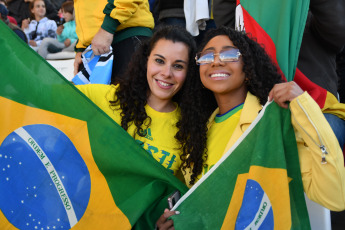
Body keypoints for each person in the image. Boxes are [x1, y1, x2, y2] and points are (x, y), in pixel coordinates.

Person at [156, 26, 345, 229]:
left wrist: (304, 107)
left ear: (248, 68)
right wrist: (177, 221)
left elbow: (334, 196)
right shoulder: (195, 136)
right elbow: (206, 211)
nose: (216, 61)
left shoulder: (272, 125)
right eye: (207, 56)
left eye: (229, 54)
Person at [76, 26, 205, 177]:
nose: (166, 73)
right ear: (146, 61)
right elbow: (50, 97)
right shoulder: (107, 97)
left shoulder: (190, 128)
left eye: (178, 66)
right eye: (159, 61)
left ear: (188, 72)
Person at [74, 0, 154, 84]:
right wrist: (81, 48)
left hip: (125, 35)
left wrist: (108, 27)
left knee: (134, 95)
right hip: (96, 46)